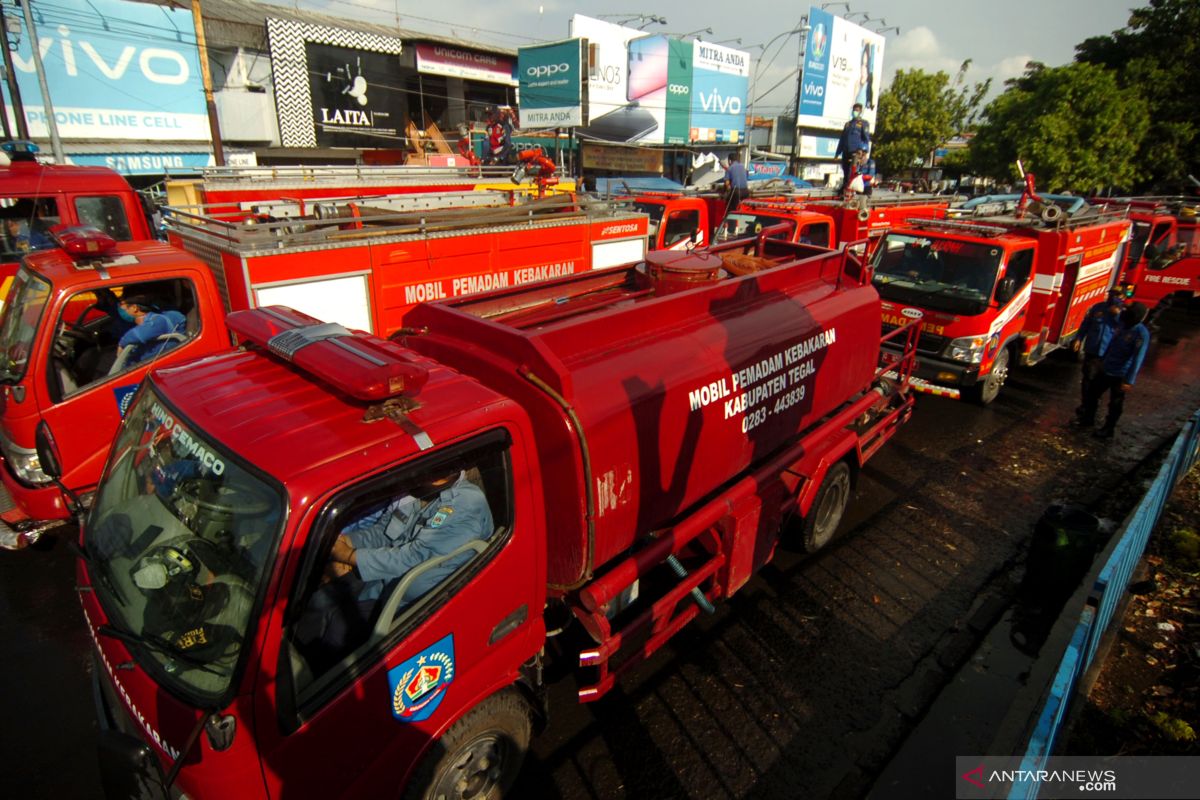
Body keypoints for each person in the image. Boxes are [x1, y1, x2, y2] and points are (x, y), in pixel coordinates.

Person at [296, 466, 493, 672]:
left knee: (339, 630)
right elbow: (384, 532)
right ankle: (297, 666)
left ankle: (321, 684)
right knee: (319, 601)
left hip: (413, 600)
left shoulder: (466, 505)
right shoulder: (417, 487)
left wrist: (350, 556)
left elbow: (412, 557)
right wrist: (345, 542)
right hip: (384, 577)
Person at [1077, 301, 1151, 439]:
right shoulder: (1123, 326)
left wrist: (1129, 381)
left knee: (1115, 403)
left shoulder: (1141, 334)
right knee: (1092, 393)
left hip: (1121, 374)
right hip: (1107, 368)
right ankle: (1088, 419)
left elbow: (1138, 358)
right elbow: (1112, 345)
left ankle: (1108, 428)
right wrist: (1103, 362)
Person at [1073, 289, 1124, 415]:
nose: (1113, 297)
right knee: (1088, 378)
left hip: (1108, 353)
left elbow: (1124, 329)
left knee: (1100, 382)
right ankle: (1085, 404)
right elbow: (1086, 324)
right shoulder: (1097, 308)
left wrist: (1116, 314)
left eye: (1117, 295)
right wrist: (1079, 338)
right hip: (1093, 350)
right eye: (1112, 294)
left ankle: (1093, 404)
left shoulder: (1122, 314)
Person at [113, 294, 187, 369]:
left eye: (124, 309)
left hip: (158, 365)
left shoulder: (157, 320)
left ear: (134, 308)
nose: (121, 311)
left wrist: (122, 343)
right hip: (144, 363)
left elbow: (138, 335)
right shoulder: (144, 322)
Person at [835, 103, 871, 191]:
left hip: (856, 151)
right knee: (845, 170)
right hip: (846, 151)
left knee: (853, 170)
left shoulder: (863, 123)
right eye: (854, 110)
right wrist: (837, 153)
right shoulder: (848, 124)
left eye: (857, 110)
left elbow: (866, 139)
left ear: (860, 112)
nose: (855, 112)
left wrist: (864, 152)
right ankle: (845, 187)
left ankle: (851, 188)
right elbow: (842, 139)